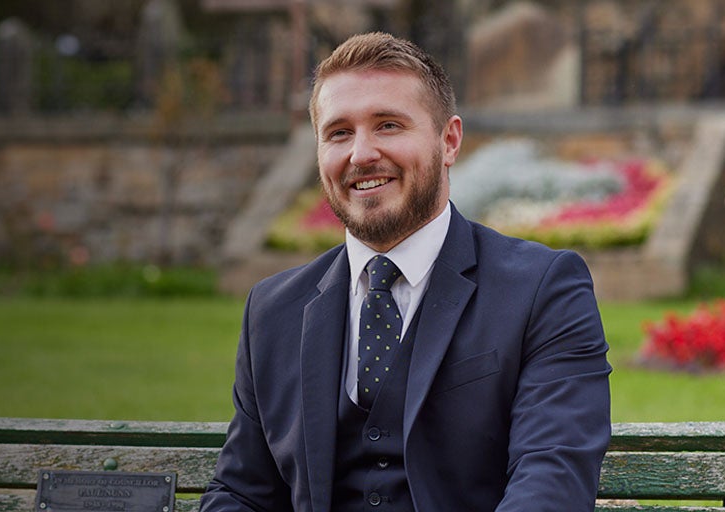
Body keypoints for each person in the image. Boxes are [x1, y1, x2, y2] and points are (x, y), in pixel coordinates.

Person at [200, 32, 611, 511]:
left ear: (449, 140)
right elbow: (243, 492)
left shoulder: (543, 289)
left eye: (388, 125)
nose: (361, 154)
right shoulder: (272, 312)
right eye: (338, 133)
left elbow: (550, 482)